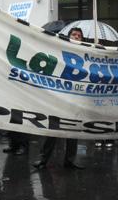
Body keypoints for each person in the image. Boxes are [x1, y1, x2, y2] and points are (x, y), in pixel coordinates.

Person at [34, 27, 85, 170]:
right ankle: (43, 159)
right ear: (68, 36)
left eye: (79, 35)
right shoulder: (60, 49)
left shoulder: (86, 52)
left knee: (72, 131)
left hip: (75, 98)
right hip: (60, 96)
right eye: (74, 34)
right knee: (53, 129)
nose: (76, 37)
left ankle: (69, 160)